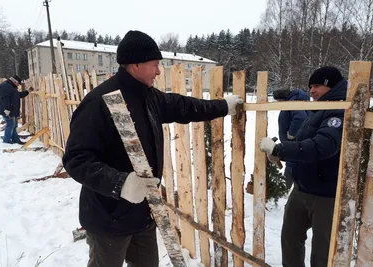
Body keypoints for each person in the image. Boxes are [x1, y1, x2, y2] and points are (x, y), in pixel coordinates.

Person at [62, 30, 243, 267]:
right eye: (155, 65)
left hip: (143, 215)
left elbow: (184, 106)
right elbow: (76, 159)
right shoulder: (99, 102)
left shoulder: (149, 97)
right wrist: (120, 183)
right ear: (135, 64)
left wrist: (222, 107)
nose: (158, 71)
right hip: (109, 218)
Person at [259, 66, 347, 267]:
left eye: (317, 85)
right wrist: (280, 154)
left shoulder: (339, 111)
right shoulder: (319, 109)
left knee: (322, 253)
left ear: (331, 86)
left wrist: (281, 149)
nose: (312, 91)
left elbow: (324, 146)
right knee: (290, 239)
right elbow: (305, 142)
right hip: (301, 189)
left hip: (327, 196)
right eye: (310, 87)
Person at [273, 88, 311, 189]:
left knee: (291, 162)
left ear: (282, 99)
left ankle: (285, 187)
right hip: (300, 140)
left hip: (294, 141)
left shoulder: (293, 103)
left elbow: (300, 118)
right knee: (295, 162)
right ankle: (292, 185)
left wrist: (292, 133)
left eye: (278, 101)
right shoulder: (298, 100)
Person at [0, 75, 33, 144]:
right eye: (18, 83)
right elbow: (3, 99)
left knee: (14, 125)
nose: (18, 85)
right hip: (8, 111)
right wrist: (6, 110)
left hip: (11, 110)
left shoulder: (10, 86)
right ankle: (6, 140)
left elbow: (17, 95)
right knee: (10, 124)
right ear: (14, 81)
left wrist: (27, 91)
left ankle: (15, 139)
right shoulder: (6, 86)